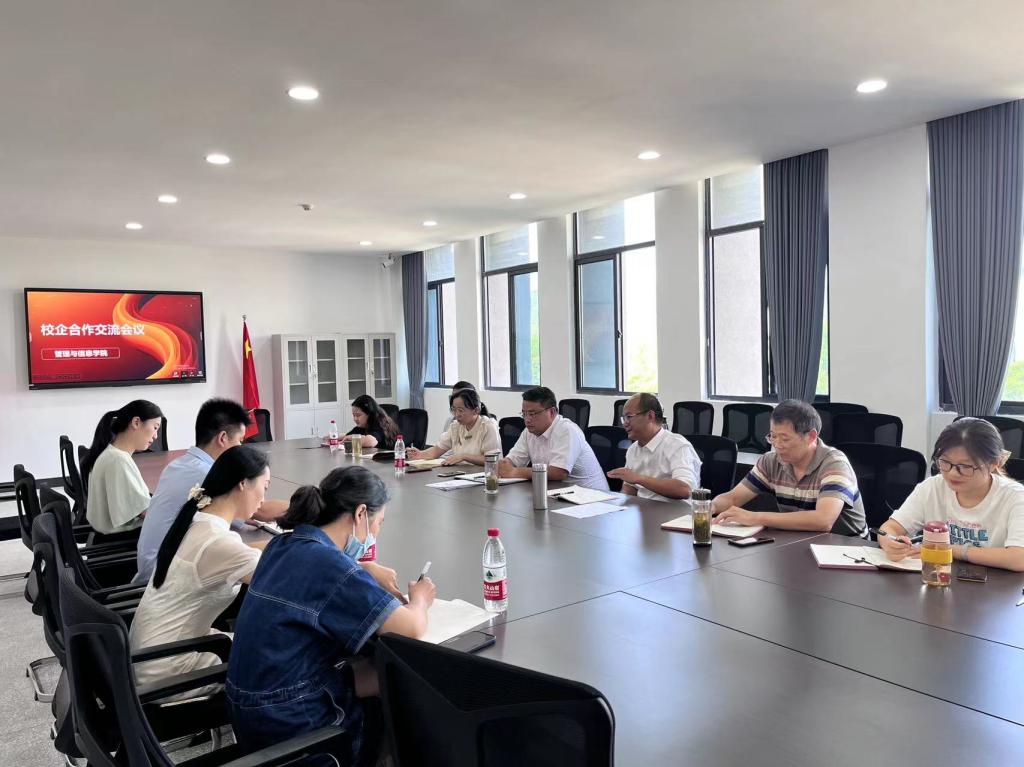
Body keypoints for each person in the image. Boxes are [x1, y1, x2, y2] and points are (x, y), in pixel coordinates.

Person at [226, 466, 436, 766]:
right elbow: (410, 628)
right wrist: (421, 599)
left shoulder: (283, 544)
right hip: (291, 722)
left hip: (251, 712)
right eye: (378, 523)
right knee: (403, 688)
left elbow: (317, 579)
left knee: (374, 672)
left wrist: (364, 569)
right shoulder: (330, 567)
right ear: (361, 513)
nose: (375, 535)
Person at [129, 445, 271, 697]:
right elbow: (285, 579)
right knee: (279, 661)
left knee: (253, 645)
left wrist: (281, 542)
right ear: (243, 484)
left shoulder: (197, 522)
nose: (263, 499)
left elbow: (244, 553)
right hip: (169, 672)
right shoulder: (218, 543)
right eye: (265, 487)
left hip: (149, 657)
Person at [133, 398, 288, 585]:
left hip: (154, 568)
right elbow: (260, 510)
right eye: (240, 441)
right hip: (164, 575)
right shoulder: (205, 473)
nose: (242, 448)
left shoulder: (179, 464)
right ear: (222, 438)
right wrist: (311, 505)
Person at [878, 418, 1024, 572]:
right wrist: (890, 542)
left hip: (995, 583)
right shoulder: (932, 487)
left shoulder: (1015, 497)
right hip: (937, 578)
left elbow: (1019, 558)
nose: (953, 473)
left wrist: (949, 550)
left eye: (965, 466)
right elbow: (890, 528)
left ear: (994, 463)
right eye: (945, 462)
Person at [711, 399, 866, 536]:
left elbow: (823, 520)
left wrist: (755, 517)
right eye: (773, 436)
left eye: (785, 439)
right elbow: (733, 498)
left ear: (811, 436)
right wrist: (709, 507)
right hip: (799, 542)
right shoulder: (770, 461)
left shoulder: (834, 464)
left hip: (846, 549)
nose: (777, 445)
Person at [499, 386, 609, 491]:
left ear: (552, 412)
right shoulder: (529, 432)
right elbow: (511, 461)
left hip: (591, 496)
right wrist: (506, 465)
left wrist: (514, 472)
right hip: (558, 493)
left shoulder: (567, 430)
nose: (527, 419)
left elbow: (558, 472)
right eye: (524, 414)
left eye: (532, 414)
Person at [82, 400, 163, 534]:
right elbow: (146, 512)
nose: (156, 436)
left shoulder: (111, 453)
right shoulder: (118, 460)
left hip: (105, 534)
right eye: (155, 428)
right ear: (136, 422)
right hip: (123, 538)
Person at [607, 393, 701, 501]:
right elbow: (630, 488)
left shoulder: (677, 445)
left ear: (650, 416)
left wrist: (639, 479)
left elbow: (685, 490)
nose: (625, 423)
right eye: (624, 418)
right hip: (645, 509)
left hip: (676, 510)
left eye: (629, 417)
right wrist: (620, 503)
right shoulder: (633, 449)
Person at [408, 388, 501, 466]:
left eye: (461, 410)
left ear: (476, 410)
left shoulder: (487, 426)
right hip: (460, 474)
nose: (457, 415)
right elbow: (437, 450)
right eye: (453, 410)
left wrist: (464, 456)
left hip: (482, 476)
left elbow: (492, 459)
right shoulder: (456, 426)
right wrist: (420, 454)